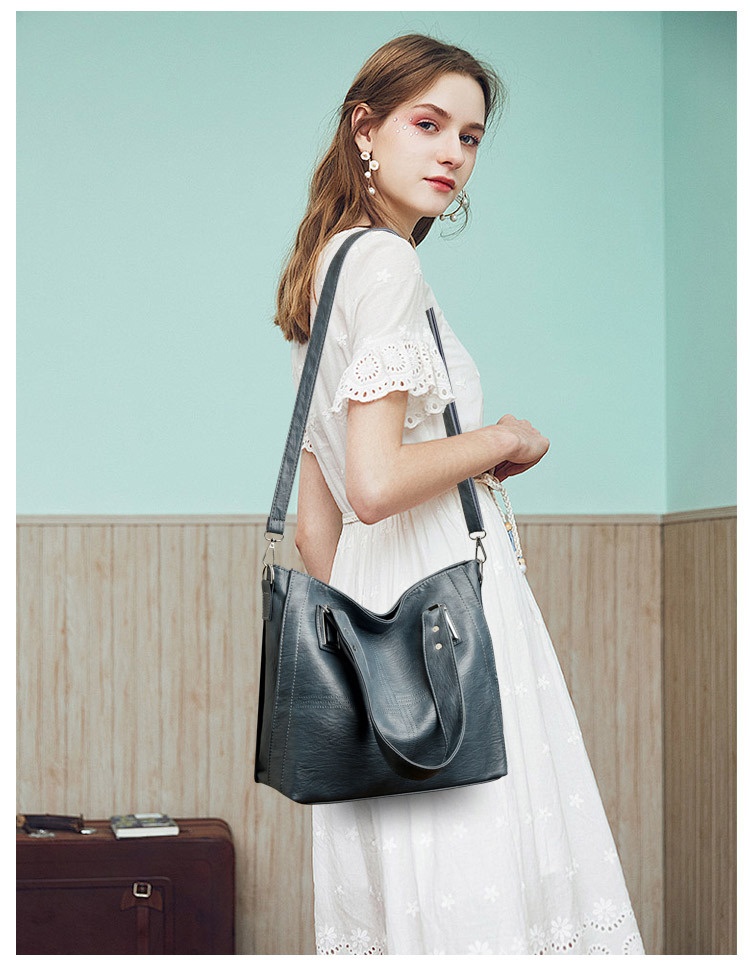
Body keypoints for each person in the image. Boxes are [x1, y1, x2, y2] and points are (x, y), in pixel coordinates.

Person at [274, 33, 645, 957]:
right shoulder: (387, 265)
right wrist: (503, 440)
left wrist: (374, 650)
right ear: (365, 129)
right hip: (444, 612)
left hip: (374, 609)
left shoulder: (324, 268)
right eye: (428, 124)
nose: (452, 154)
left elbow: (319, 528)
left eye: (470, 137)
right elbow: (374, 485)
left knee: (414, 895)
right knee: (473, 887)